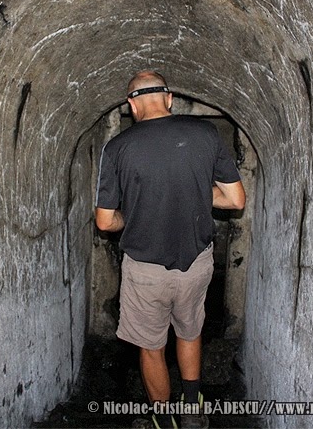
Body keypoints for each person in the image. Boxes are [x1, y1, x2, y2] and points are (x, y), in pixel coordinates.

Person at [95, 70, 246, 429]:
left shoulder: (116, 149)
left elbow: (104, 221)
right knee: (190, 332)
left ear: (132, 105)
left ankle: (163, 421)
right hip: (196, 264)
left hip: (145, 271)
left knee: (151, 347)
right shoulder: (206, 134)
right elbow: (235, 199)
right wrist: (194, 191)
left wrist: (129, 215)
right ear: (168, 99)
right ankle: (192, 410)